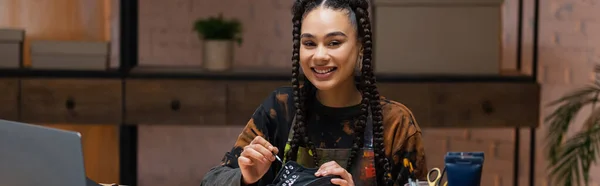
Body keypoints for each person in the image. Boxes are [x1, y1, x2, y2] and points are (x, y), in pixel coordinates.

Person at [201, 0, 427, 185]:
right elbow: (212, 180)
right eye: (309, 43)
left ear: (360, 47)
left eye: (334, 43)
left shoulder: (395, 124)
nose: (319, 56)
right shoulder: (280, 109)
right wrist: (246, 178)